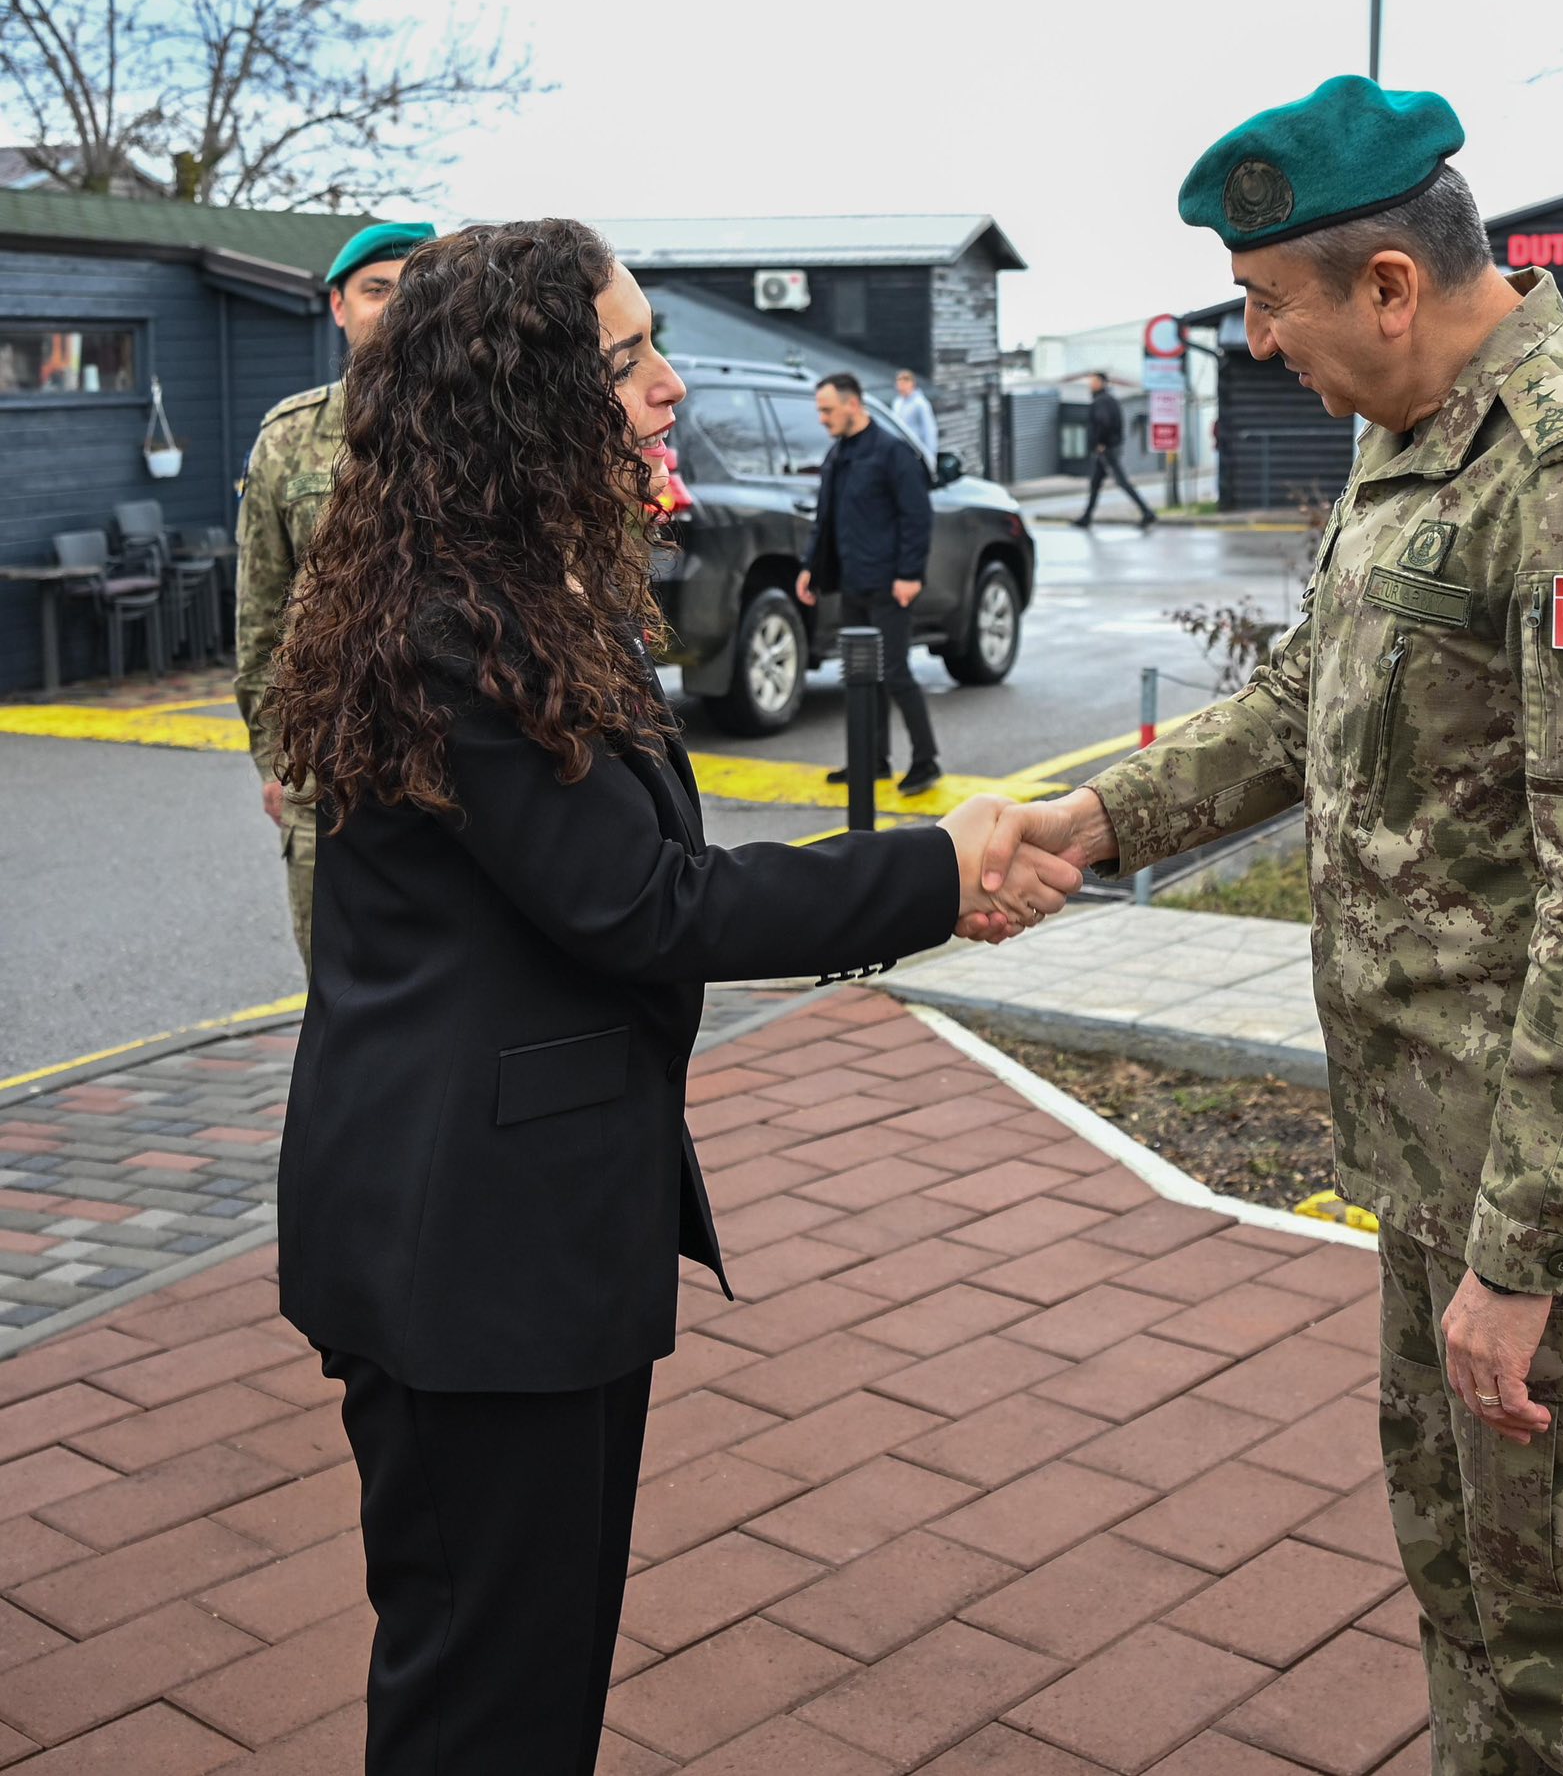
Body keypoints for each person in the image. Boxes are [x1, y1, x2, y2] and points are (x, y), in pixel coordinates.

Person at [981, 75, 1563, 1773]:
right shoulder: (1410, 433)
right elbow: (1298, 694)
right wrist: (1098, 814)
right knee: (1473, 1590)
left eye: (1268, 302)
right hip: (1444, 1156)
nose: (1255, 339)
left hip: (1562, 1201)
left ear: (1387, 286)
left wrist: (1516, 1257)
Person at [263, 219, 1077, 1776]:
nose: (666, 384)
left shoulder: (516, 580)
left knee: (539, 1667)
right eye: (629, 355)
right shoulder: (463, 615)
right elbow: (640, 903)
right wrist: (932, 870)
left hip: (532, 1233)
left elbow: (625, 867)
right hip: (469, 1256)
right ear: (524, 389)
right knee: (483, 1697)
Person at [234, 219, 436, 971]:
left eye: (413, 289)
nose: (394, 306)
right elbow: (260, 617)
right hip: (331, 776)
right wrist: (273, 761)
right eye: (376, 289)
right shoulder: (290, 438)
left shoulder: (482, 428)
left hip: (463, 768)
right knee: (339, 994)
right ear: (338, 305)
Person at [795, 371, 944, 796]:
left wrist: (910, 575)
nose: (822, 419)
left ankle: (925, 760)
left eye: (827, 410)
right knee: (862, 677)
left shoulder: (892, 453)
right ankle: (870, 761)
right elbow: (824, 521)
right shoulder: (839, 456)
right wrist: (811, 568)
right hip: (852, 584)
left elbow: (918, 518)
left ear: (853, 405)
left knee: (895, 673)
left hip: (889, 584)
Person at [1075, 371, 1155, 528]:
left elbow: (1103, 422)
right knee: (1095, 483)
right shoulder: (1109, 400)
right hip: (1109, 447)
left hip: (1106, 449)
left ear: (1101, 382)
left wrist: (1100, 443)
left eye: (1093, 381)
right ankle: (1086, 517)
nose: (1090, 384)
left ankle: (1147, 512)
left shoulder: (1101, 402)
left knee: (1122, 482)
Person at [893, 366, 939, 459]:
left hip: (916, 452)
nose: (901, 387)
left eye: (904, 383)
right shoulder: (897, 402)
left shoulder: (920, 404)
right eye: (899, 383)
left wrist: (930, 455)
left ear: (911, 384)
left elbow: (929, 430)